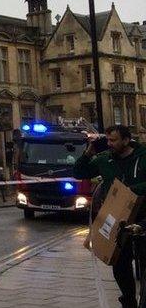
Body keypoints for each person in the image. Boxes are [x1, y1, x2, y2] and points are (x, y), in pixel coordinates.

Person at [74, 125, 146, 308]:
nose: (109, 144)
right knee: (120, 264)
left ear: (126, 140)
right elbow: (79, 173)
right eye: (107, 140)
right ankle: (128, 300)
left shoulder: (143, 157)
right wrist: (88, 153)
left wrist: (129, 192)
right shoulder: (105, 160)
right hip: (117, 217)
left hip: (143, 217)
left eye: (113, 140)